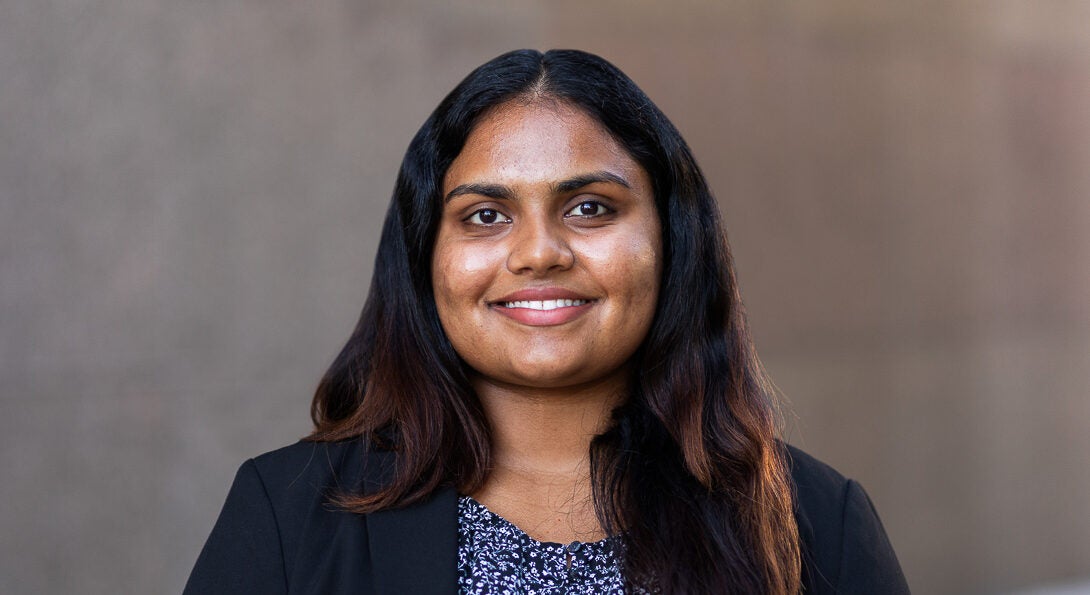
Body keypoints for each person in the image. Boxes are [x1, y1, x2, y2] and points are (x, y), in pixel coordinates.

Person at [184, 49, 909, 594]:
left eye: (590, 207)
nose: (538, 252)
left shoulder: (816, 521)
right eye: (486, 215)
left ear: (670, 239)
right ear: (424, 256)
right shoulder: (286, 513)